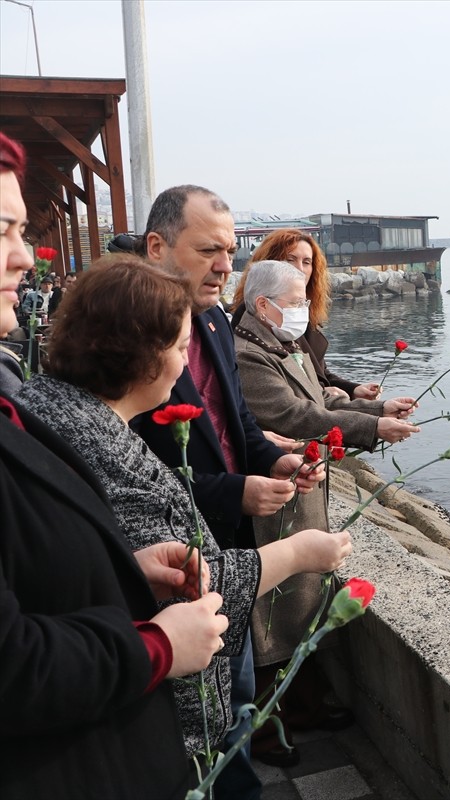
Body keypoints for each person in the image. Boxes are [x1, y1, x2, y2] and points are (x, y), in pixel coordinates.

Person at [16, 256, 352, 766]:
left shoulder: (61, 413)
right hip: (150, 726)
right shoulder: (92, 444)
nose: (183, 367)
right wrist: (300, 553)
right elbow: (194, 587)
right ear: (140, 355)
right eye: (178, 349)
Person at [1, 131, 228, 799]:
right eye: (2, 231)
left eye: (22, 231)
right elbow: (12, 666)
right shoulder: (75, 426)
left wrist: (120, 568)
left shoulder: (24, 408)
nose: (24, 257)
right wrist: (156, 645)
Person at [133, 184, 320, 791]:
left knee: (236, 690)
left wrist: (275, 462)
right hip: (170, 560)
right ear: (157, 247)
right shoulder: (133, 332)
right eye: (207, 250)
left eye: (230, 251)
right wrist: (235, 491)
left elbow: (236, 421)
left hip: (230, 545)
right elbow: (135, 468)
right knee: (201, 712)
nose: (224, 266)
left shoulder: (214, 320)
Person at [232, 259, 419, 761]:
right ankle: (266, 729)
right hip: (276, 495)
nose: (302, 310)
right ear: (263, 305)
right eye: (295, 302)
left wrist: (376, 410)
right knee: (271, 615)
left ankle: (305, 708)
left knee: (301, 603)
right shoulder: (248, 354)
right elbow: (296, 415)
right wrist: (373, 428)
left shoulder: (283, 344)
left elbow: (322, 400)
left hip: (302, 487)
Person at [232, 228, 410, 403]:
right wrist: (322, 393)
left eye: (307, 262)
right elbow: (286, 393)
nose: (299, 269)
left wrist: (353, 389)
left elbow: (319, 371)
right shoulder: (257, 319)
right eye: (290, 260)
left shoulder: (300, 314)